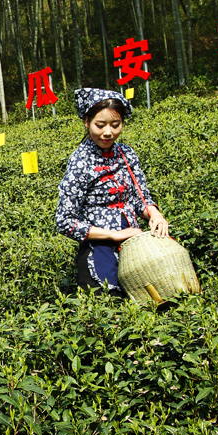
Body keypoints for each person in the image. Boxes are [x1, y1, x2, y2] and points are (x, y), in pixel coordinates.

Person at [56, 88, 169, 295]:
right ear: (87, 122)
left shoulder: (126, 153)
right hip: (99, 252)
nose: (108, 132)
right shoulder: (80, 161)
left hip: (135, 249)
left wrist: (155, 214)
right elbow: (65, 221)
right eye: (100, 125)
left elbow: (139, 196)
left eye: (115, 125)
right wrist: (114, 235)